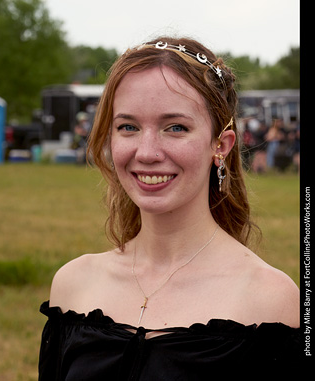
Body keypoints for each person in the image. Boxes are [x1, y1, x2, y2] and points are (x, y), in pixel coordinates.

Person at [39, 36, 300, 379]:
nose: (147, 152)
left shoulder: (272, 302)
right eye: (128, 127)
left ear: (220, 146)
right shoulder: (73, 286)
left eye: (175, 127)